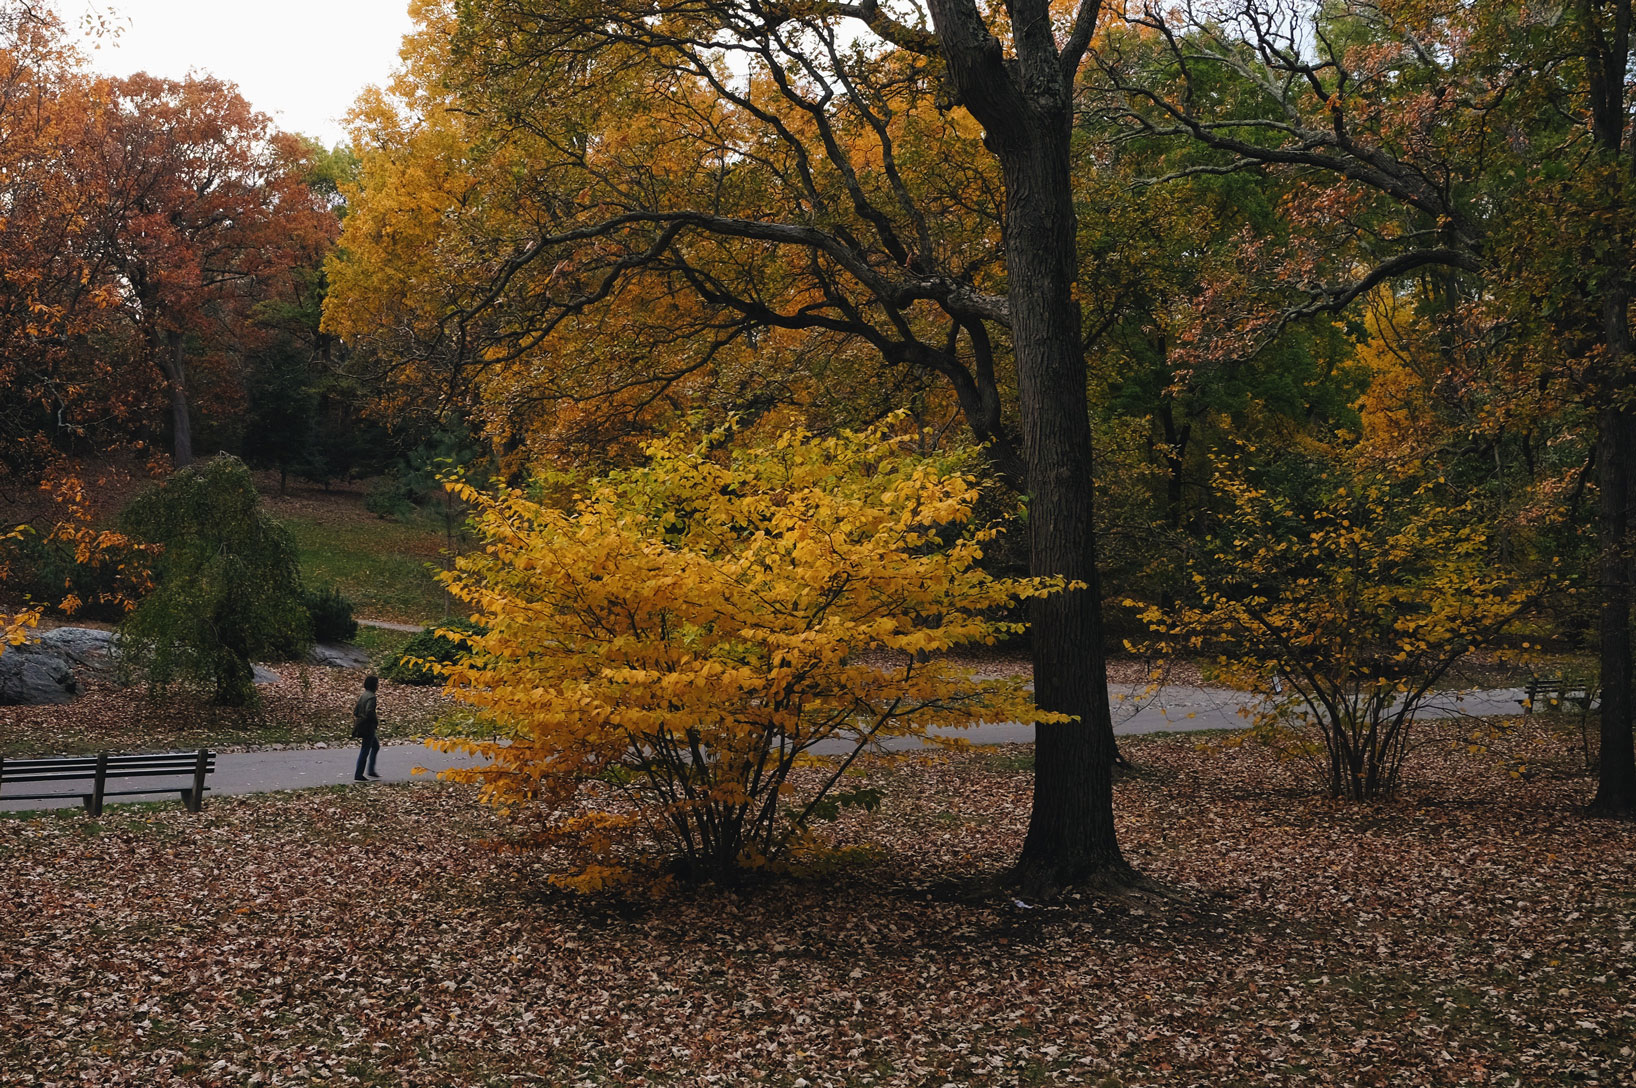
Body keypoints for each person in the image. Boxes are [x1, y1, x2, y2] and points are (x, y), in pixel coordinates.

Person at [353, 674, 381, 781]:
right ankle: (359, 774)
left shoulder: (363, 695)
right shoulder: (372, 697)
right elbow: (369, 711)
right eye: (377, 684)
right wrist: (375, 720)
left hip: (362, 724)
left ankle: (371, 770)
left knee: (375, 746)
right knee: (365, 749)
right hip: (368, 726)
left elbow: (356, 711)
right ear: (374, 685)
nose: (378, 686)